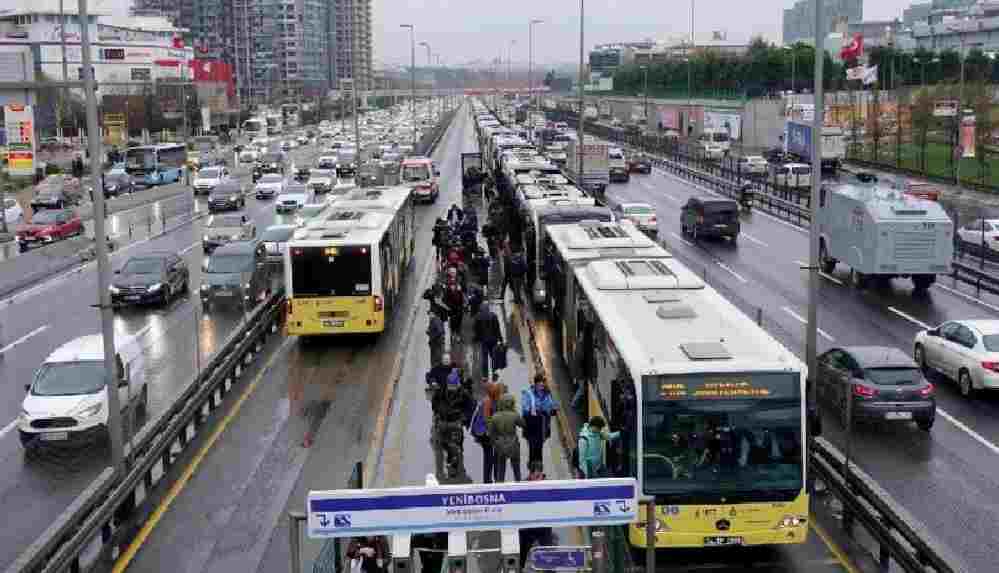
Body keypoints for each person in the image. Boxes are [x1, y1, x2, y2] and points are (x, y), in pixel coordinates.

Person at [430, 366, 474, 480]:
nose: (452, 388)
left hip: (455, 423)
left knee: (457, 445)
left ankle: (455, 467)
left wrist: (464, 418)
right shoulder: (441, 392)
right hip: (444, 423)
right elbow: (434, 404)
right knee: (446, 444)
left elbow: (471, 407)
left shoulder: (463, 394)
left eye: (454, 386)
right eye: (450, 386)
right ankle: (451, 463)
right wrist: (439, 412)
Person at [521, 374, 558, 473]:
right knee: (533, 447)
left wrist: (552, 409)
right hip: (531, 426)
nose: (542, 386)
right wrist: (539, 410)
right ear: (536, 383)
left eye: (543, 384)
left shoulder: (547, 394)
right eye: (540, 384)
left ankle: (539, 470)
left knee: (539, 447)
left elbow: (552, 406)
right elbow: (525, 409)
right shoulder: (528, 394)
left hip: (542, 426)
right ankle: (533, 470)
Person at [488, 392, 524, 482]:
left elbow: (491, 434)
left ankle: (501, 486)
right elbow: (523, 424)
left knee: (501, 468)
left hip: (500, 445)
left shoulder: (495, 417)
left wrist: (495, 443)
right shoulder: (514, 415)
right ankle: (518, 484)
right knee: (516, 468)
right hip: (513, 444)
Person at [473, 303, 503, 379]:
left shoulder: (478, 317)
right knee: (493, 356)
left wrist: (477, 338)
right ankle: (494, 372)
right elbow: (497, 329)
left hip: (484, 340)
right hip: (493, 340)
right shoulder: (494, 316)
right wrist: (500, 339)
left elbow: (476, 330)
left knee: (484, 358)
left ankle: (485, 375)